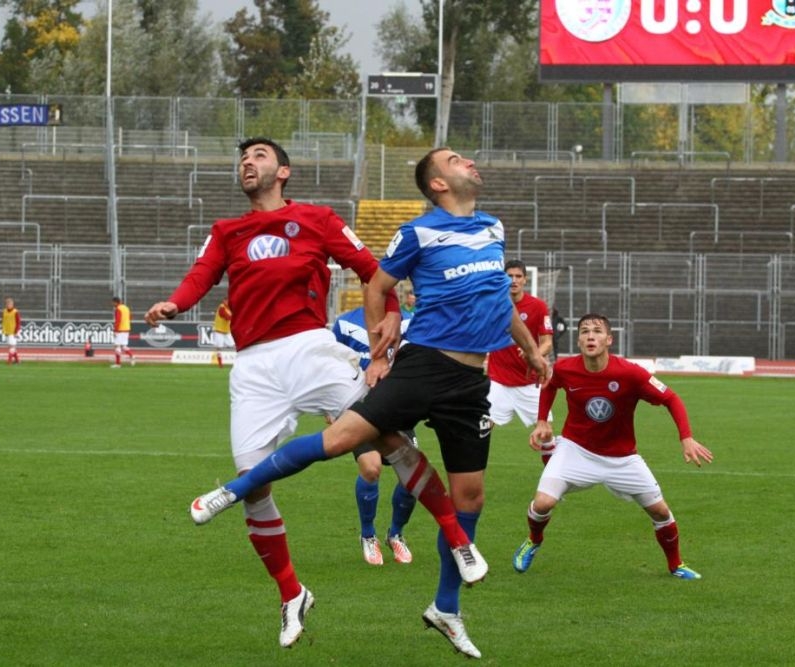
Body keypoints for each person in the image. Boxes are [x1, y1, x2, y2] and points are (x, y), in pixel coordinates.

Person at [189, 147, 550, 659]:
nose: (469, 161)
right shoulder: (417, 232)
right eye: (456, 159)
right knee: (345, 440)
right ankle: (235, 489)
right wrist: (382, 348)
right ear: (438, 183)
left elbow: (497, 298)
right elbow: (377, 284)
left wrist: (530, 348)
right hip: (425, 365)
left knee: (470, 498)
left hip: (473, 383)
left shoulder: (494, 228)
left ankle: (446, 609)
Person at [143, 137, 408, 649]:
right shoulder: (226, 231)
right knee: (253, 484)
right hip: (254, 364)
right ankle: (292, 593)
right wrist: (174, 304)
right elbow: (201, 275)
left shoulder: (318, 219)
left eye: (259, 156)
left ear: (283, 171)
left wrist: (390, 312)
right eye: (243, 158)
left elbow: (372, 270)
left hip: (309, 346)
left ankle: (455, 536)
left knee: (386, 439)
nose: (248, 162)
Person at [512, 313, 714, 581]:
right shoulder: (565, 368)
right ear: (579, 340)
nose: (590, 336)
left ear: (609, 339)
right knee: (542, 503)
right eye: (584, 331)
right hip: (576, 449)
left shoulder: (630, 373)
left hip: (622, 458)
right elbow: (550, 385)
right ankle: (533, 541)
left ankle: (676, 564)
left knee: (660, 511)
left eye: (596, 331)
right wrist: (541, 421)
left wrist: (686, 437)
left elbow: (671, 398)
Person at [332, 296, 416, 565]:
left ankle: (396, 534)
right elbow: (332, 367)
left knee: (412, 478)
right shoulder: (345, 324)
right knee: (371, 468)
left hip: (399, 407)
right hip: (361, 408)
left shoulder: (409, 322)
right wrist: (331, 409)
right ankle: (368, 535)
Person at [486, 260, 556, 464]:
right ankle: (470, 482)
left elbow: (547, 343)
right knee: (480, 429)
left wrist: (533, 353)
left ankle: (552, 482)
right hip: (497, 380)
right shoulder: (494, 305)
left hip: (528, 382)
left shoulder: (538, 306)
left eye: (518, 276)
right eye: (509, 276)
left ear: (525, 279)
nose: (514, 280)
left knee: (546, 433)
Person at [111, 296, 136, 368]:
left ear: (115, 302)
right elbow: (130, 317)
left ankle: (118, 363)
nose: (112, 304)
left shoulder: (118, 309)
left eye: (113, 302)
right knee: (124, 346)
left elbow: (118, 320)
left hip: (120, 330)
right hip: (127, 329)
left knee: (117, 345)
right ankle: (132, 356)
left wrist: (115, 330)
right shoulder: (126, 308)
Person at [211, 299, 234, 368]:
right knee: (219, 347)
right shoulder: (222, 307)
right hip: (219, 330)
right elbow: (225, 316)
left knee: (233, 345)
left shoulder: (230, 308)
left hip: (227, 331)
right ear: (223, 301)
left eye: (228, 301)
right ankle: (220, 364)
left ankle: (238, 361)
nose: (227, 302)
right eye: (226, 301)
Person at [2, 297, 21, 364]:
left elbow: (18, 322)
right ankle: (17, 360)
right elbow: (3, 321)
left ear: (12, 304)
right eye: (7, 304)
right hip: (7, 331)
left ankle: (9, 360)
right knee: (10, 346)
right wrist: (4, 330)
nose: (8, 305)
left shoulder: (15, 312)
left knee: (12, 346)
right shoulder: (4, 311)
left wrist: (16, 332)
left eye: (9, 304)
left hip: (13, 331)